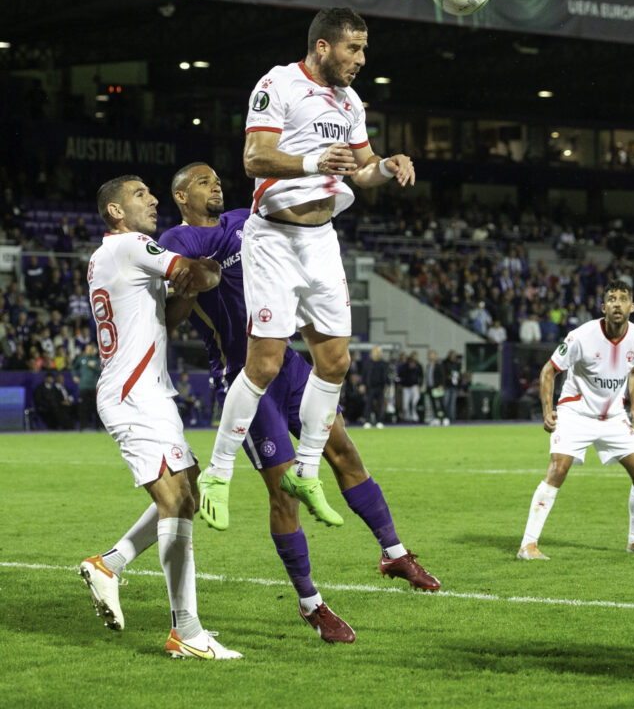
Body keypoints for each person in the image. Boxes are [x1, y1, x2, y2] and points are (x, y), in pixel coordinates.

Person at [157, 163, 439, 643]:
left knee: (344, 451)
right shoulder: (178, 240)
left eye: (217, 179)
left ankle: (394, 553)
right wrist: (194, 279)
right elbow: (173, 310)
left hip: (287, 363)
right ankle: (312, 604)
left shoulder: (247, 220)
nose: (216, 185)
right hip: (243, 373)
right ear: (182, 196)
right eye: (203, 182)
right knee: (284, 491)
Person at [197, 7, 416, 529]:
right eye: (353, 49)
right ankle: (218, 470)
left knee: (335, 362)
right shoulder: (279, 84)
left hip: (322, 240)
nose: (361, 59)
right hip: (273, 236)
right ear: (323, 47)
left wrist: (387, 166)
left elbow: (360, 169)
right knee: (267, 362)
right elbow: (255, 158)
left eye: (363, 49)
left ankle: (308, 469)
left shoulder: (350, 101)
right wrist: (317, 162)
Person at [77, 175, 240, 660]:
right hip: (133, 394)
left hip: (147, 390)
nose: (151, 201)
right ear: (116, 212)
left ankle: (110, 564)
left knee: (186, 491)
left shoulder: (112, 256)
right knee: (176, 500)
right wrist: (213, 266)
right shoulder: (131, 244)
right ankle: (185, 632)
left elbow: (166, 318)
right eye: (140, 195)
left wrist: (187, 289)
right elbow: (195, 271)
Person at [518, 279, 634, 561]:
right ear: (603, 306)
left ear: (632, 307)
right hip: (576, 413)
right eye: (611, 298)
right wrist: (548, 412)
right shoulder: (581, 336)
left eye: (622, 299)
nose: (616, 303)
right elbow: (549, 371)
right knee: (558, 470)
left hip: (613, 417)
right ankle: (528, 545)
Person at [72, 341, 100, 430]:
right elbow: (73, 368)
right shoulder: (81, 359)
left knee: (96, 408)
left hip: (94, 387)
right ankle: (83, 426)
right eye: (88, 349)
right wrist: (74, 376)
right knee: (83, 408)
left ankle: (98, 427)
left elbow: (101, 371)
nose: (89, 350)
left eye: (91, 349)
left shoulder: (97, 359)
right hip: (83, 387)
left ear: (93, 350)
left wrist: (94, 367)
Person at [361, 345, 390, 429]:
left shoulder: (383, 363)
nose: (376, 353)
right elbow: (364, 374)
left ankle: (380, 421)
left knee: (381, 405)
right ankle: (367, 421)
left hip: (380, 387)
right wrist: (362, 384)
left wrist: (388, 385)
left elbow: (386, 375)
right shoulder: (368, 363)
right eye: (375, 352)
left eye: (378, 352)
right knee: (368, 404)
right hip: (370, 387)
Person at [398, 350, 422, 423]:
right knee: (405, 404)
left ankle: (415, 417)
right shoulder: (405, 365)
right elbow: (401, 375)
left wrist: (420, 385)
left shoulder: (418, 365)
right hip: (406, 387)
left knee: (415, 402)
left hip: (414, 386)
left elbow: (421, 376)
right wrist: (400, 384)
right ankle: (407, 417)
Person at [424, 350, 447, 426]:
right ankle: (436, 418)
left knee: (440, 403)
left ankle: (444, 418)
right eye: (430, 355)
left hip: (438, 387)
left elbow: (442, 376)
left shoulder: (439, 365)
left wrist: (441, 385)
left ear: (435, 356)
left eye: (432, 355)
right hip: (431, 387)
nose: (431, 356)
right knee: (433, 403)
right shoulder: (428, 366)